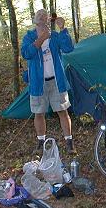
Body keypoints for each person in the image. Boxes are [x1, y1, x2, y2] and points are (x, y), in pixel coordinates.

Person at [21, 9, 75, 154]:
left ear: (48, 20)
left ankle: (69, 142)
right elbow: (26, 53)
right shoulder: (29, 37)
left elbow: (68, 48)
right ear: (34, 20)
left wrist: (63, 29)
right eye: (39, 14)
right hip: (38, 83)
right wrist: (41, 39)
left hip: (57, 82)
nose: (42, 15)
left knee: (62, 111)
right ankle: (41, 142)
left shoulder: (55, 36)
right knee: (39, 113)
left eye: (44, 15)